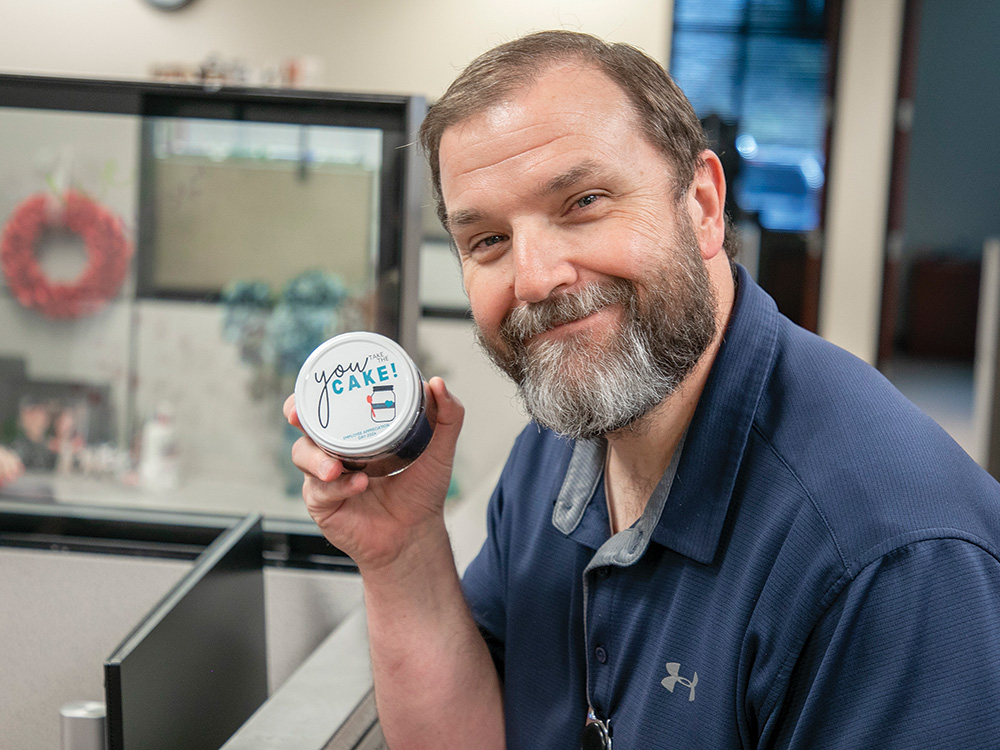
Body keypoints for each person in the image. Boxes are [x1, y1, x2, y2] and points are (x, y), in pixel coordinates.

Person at [284, 30, 1000, 749]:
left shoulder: (892, 560)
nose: (534, 279)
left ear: (703, 205)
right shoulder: (555, 453)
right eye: (488, 241)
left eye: (584, 201)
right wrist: (403, 552)